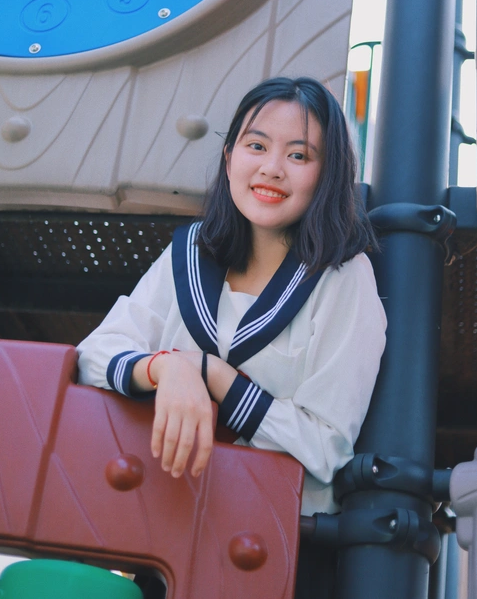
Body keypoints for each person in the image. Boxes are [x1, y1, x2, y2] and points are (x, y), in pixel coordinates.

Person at [77, 76, 386, 596]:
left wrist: (212, 375)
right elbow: (92, 356)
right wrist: (167, 368)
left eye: (299, 155)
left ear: (327, 174)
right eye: (256, 146)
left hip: (279, 551)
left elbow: (325, 447)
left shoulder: (343, 277)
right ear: (228, 157)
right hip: (169, 541)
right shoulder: (191, 253)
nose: (272, 168)